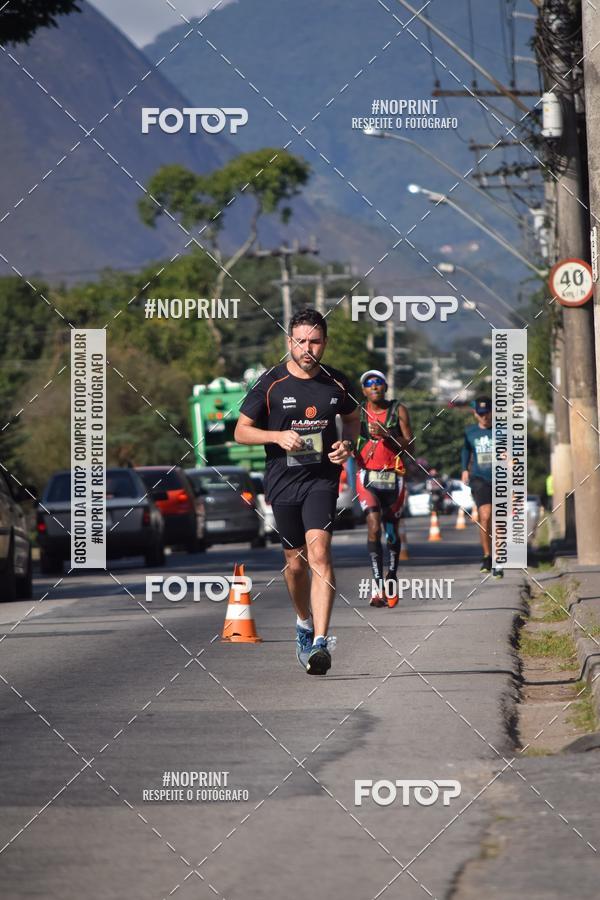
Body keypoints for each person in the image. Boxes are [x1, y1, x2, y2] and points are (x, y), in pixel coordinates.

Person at [234, 307, 360, 675]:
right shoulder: (270, 383)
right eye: (301, 341)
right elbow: (241, 430)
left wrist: (347, 445)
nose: (308, 349)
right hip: (282, 481)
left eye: (315, 342)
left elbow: (352, 420)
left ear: (325, 343)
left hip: (321, 480)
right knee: (295, 563)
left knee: (320, 552)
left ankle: (321, 641)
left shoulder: (337, 383)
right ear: (289, 342)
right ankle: (303, 623)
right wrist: (276, 436)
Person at [355, 369, 413, 608]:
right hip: (367, 476)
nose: (374, 387)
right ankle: (378, 586)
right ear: (364, 390)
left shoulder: (398, 410)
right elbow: (348, 438)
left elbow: (410, 444)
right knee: (373, 526)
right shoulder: (358, 413)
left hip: (393, 477)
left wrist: (388, 435)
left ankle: (392, 575)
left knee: (391, 531)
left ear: (386, 387)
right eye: (369, 384)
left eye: (378, 383)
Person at [461, 396, 503, 578]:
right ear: (475, 414)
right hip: (480, 478)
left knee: (499, 521)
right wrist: (464, 469)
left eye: (487, 413)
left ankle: (499, 559)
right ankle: (487, 555)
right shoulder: (470, 432)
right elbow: (465, 450)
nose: (484, 417)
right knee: (485, 516)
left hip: (501, 478)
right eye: (481, 413)